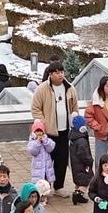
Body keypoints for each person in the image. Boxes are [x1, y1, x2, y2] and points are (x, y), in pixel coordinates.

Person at [30, 63, 78, 198]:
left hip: (64, 131)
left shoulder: (69, 88)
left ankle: (59, 187)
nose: (60, 75)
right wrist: (43, 123)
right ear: (50, 74)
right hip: (48, 132)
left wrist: (74, 119)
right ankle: (44, 188)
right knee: (45, 162)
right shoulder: (42, 89)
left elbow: (74, 107)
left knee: (62, 160)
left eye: (62, 72)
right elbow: (35, 108)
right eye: (57, 73)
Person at [67, 115, 93, 205]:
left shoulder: (73, 137)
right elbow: (84, 154)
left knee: (78, 180)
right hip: (83, 165)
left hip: (75, 164)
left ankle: (77, 194)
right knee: (86, 181)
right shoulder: (81, 140)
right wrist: (90, 161)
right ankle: (78, 194)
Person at [27, 121, 56, 190]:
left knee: (47, 182)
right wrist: (37, 142)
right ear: (33, 132)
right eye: (37, 131)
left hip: (47, 167)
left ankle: (45, 194)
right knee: (38, 183)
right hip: (38, 168)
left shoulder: (46, 139)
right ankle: (40, 194)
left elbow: (51, 147)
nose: (39, 133)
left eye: (40, 131)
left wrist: (45, 141)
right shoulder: (32, 141)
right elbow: (33, 151)